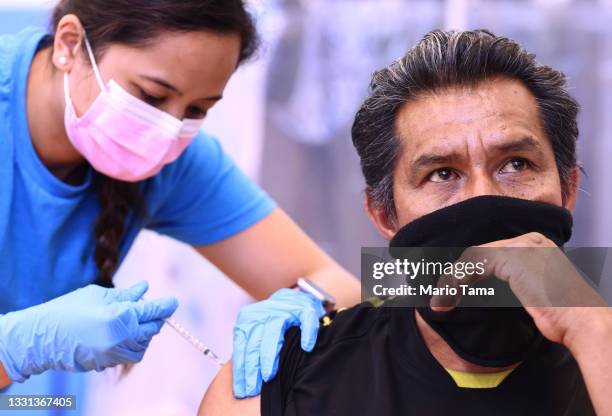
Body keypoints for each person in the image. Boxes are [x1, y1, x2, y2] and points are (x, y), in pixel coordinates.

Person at [198, 29, 612, 415]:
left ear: (568, 189)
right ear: (385, 215)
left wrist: (593, 329)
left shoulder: (601, 340)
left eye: (515, 164)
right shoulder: (281, 381)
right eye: (443, 174)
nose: (483, 198)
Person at [0, 0, 360, 397]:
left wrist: (308, 306)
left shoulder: (176, 161)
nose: (170, 130)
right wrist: (22, 345)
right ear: (70, 44)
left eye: (197, 109)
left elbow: (344, 285)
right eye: (152, 96)